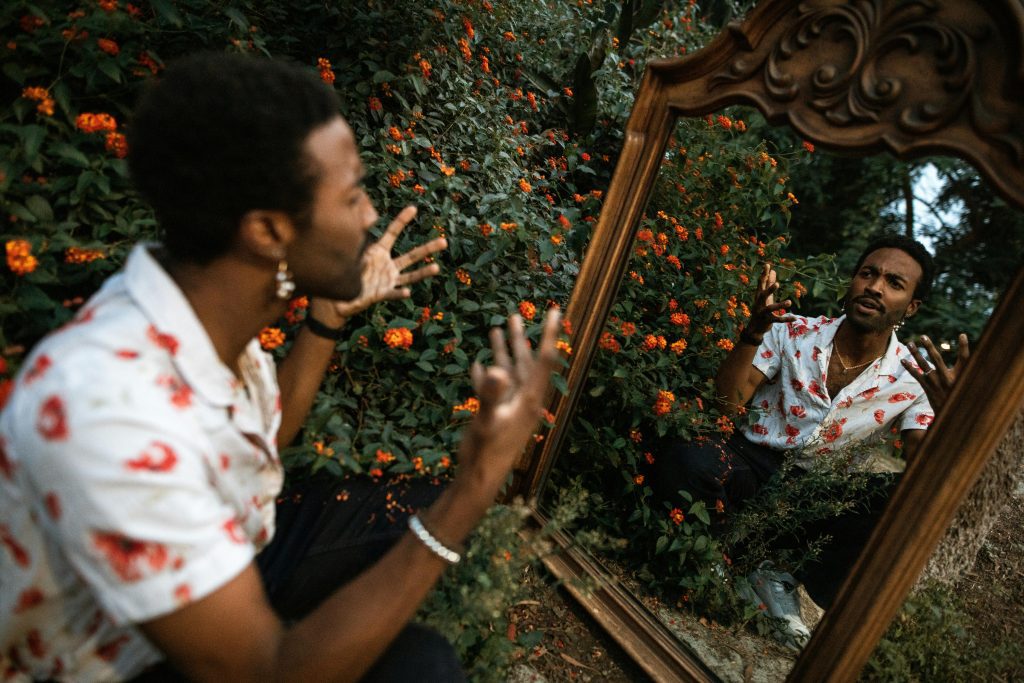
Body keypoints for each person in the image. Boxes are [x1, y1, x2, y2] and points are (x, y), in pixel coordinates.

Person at [0, 53, 561, 682]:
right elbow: (267, 674)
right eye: (351, 196)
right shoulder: (105, 411)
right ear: (268, 231)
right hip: (110, 663)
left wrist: (326, 317)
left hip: (228, 551)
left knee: (401, 524)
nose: (371, 215)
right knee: (418, 665)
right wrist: (477, 485)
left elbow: (266, 440)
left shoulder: (201, 314)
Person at [653, 235, 969, 645]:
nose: (874, 286)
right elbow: (726, 407)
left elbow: (921, 469)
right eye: (868, 274)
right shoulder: (794, 331)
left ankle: (776, 575)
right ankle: (712, 560)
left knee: (899, 498)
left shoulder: (912, 378)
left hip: (815, 501)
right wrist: (751, 334)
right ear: (853, 281)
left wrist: (948, 420)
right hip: (748, 469)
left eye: (894, 282)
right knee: (690, 456)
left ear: (911, 307)